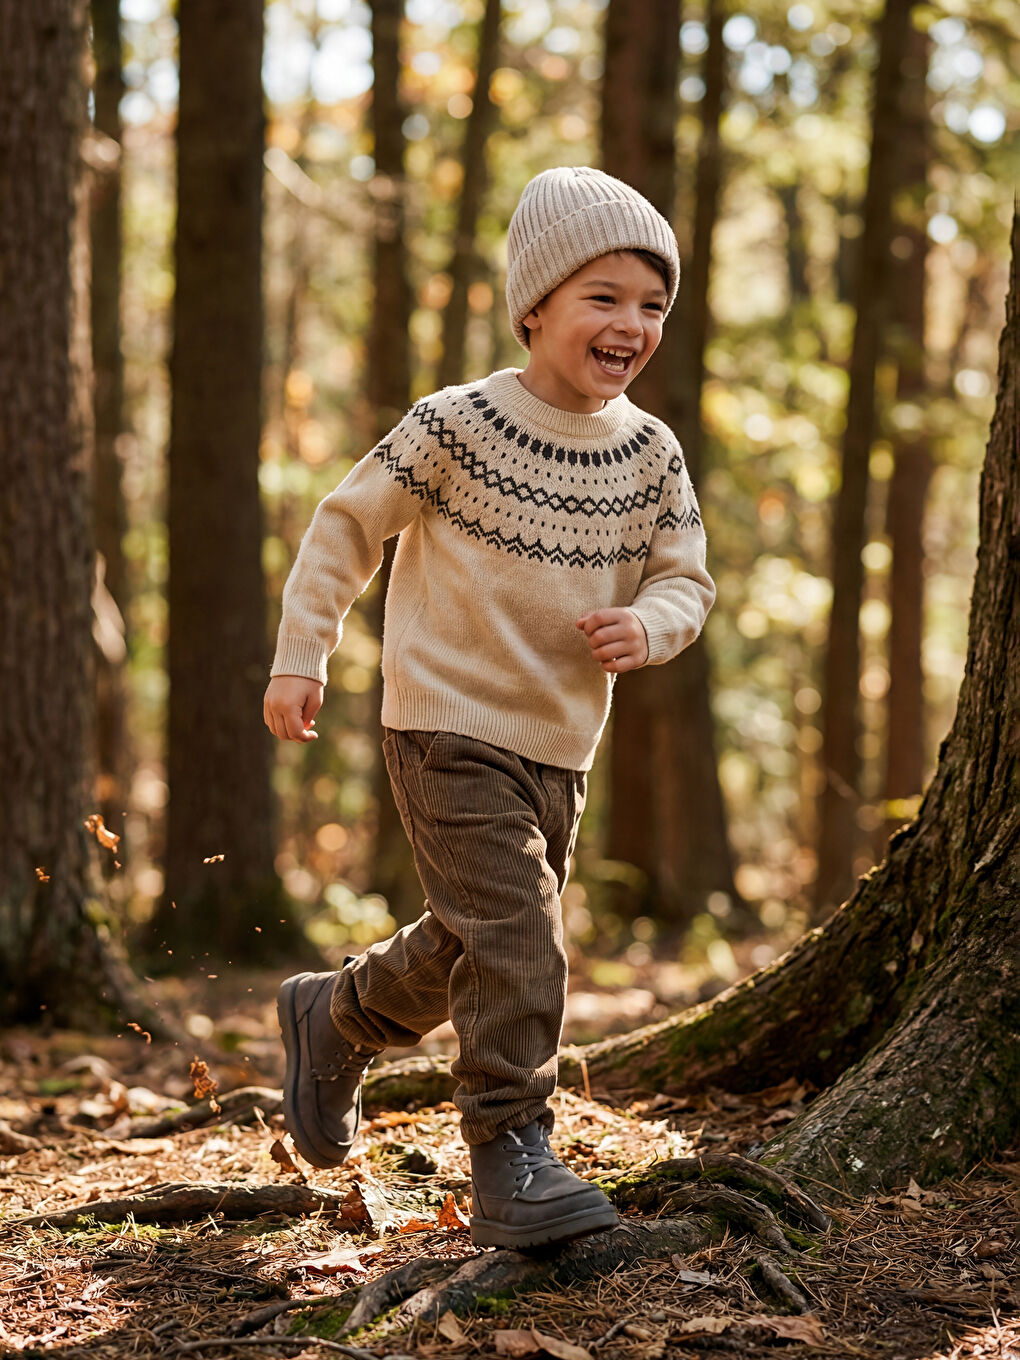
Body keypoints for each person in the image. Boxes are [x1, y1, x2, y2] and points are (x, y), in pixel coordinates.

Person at [263, 166, 716, 1249]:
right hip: (444, 722)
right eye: (603, 297)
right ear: (535, 306)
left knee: (483, 933)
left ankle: (334, 1015)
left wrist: (649, 625)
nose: (632, 324)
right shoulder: (456, 425)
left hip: (560, 740)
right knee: (521, 932)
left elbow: (686, 577)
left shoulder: (651, 452)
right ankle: (512, 1150)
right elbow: (344, 527)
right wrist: (301, 654)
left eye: (653, 303)